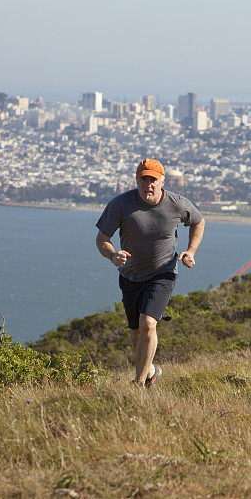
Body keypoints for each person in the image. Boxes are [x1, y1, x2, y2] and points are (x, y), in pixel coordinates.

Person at [95, 158, 205, 387]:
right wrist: (113, 255)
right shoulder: (120, 205)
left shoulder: (177, 204)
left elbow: (198, 221)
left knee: (148, 324)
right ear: (137, 181)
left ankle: (138, 384)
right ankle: (151, 371)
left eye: (153, 180)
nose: (148, 185)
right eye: (143, 180)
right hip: (130, 275)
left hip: (162, 273)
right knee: (136, 334)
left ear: (162, 181)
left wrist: (191, 251)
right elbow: (102, 239)